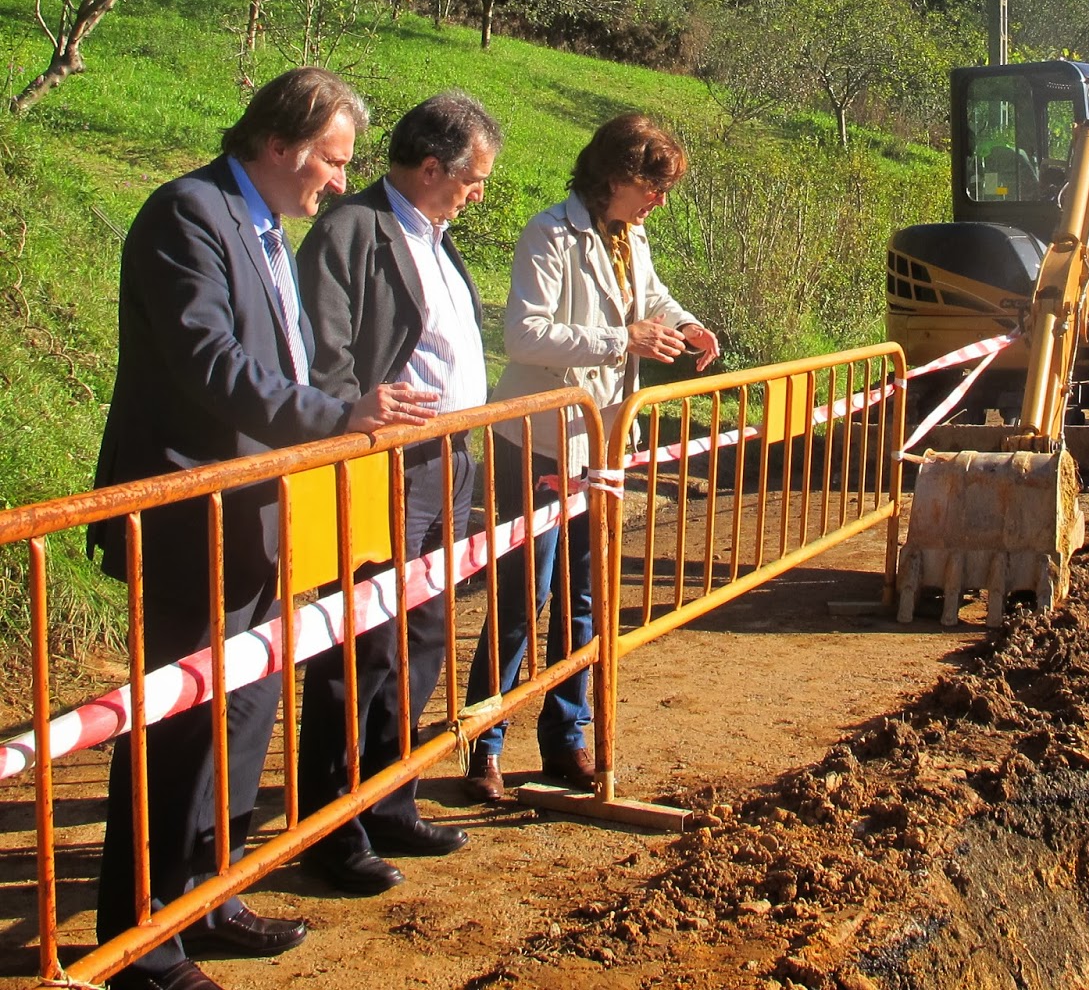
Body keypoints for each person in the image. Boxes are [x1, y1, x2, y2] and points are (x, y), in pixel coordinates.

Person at [88, 68, 438, 990]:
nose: (338, 180)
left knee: (241, 715)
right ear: (280, 145)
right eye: (331, 160)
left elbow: (281, 360)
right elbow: (211, 365)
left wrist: (338, 418)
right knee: (176, 728)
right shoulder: (187, 215)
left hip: (260, 519)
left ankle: (211, 892)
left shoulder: (266, 228)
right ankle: (141, 942)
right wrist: (340, 418)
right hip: (187, 517)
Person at [461, 113, 719, 799]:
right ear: (614, 176)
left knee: (582, 599)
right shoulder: (549, 232)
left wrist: (686, 325)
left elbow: (651, 298)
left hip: (600, 445)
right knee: (520, 597)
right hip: (538, 442)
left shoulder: (628, 236)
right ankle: (484, 742)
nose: (659, 203)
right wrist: (620, 339)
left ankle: (564, 738)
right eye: (651, 187)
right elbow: (525, 335)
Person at [294, 93, 502, 896]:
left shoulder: (436, 240)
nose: (477, 192)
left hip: (447, 461)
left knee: (423, 635)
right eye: (472, 179)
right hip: (382, 464)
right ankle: (331, 828)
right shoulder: (351, 231)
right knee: (359, 648)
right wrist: (356, 439)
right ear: (429, 169)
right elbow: (327, 352)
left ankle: (391, 798)